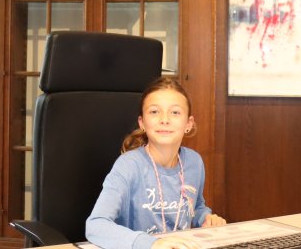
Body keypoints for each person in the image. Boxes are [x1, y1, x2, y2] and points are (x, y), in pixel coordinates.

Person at [85, 77, 226, 249]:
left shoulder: (194, 162)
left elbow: (194, 207)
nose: (164, 119)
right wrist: (151, 244)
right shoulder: (128, 166)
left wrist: (205, 217)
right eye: (154, 112)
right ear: (142, 123)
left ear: (188, 123)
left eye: (175, 112)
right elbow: (96, 225)